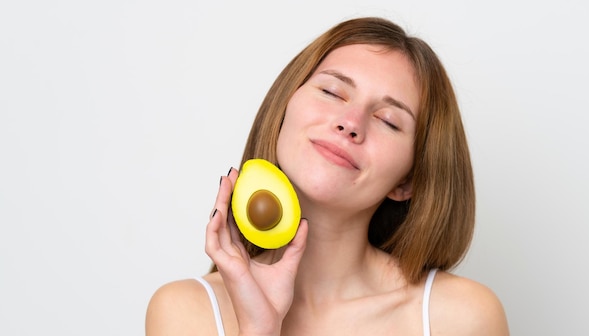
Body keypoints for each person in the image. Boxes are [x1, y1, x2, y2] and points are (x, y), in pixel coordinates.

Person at [146, 16, 509, 336]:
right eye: (332, 92)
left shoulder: (461, 317)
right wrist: (259, 328)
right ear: (283, 109)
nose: (350, 123)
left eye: (387, 120)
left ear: (408, 181)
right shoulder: (185, 311)